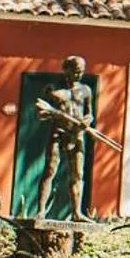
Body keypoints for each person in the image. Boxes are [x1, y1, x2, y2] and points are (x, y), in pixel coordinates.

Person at [33, 56, 95, 221]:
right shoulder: (53, 88)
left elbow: (89, 113)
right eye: (75, 71)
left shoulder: (86, 90)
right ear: (66, 69)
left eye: (81, 71)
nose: (78, 74)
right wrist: (51, 113)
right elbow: (40, 112)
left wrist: (87, 120)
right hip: (58, 132)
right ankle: (41, 211)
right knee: (50, 170)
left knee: (77, 174)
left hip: (77, 134)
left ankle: (77, 212)